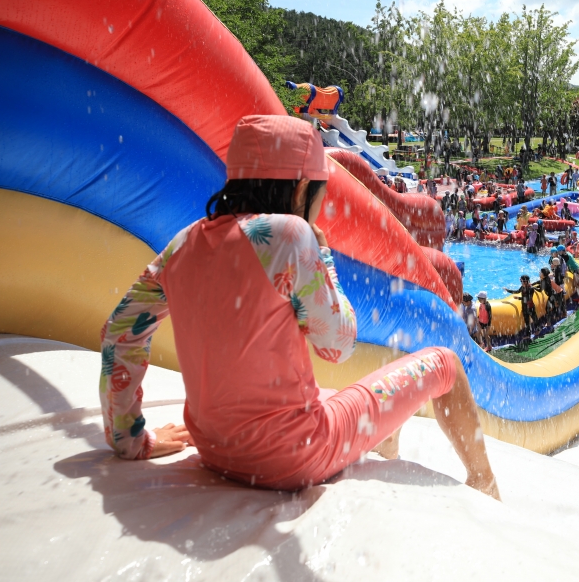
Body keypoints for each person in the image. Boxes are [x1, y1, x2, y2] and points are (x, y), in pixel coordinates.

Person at [98, 114, 497, 497]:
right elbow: (337, 346)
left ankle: (387, 445)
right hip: (295, 457)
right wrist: (323, 257)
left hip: (214, 450)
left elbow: (119, 332)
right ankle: (485, 485)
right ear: (303, 188)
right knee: (445, 362)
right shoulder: (288, 234)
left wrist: (133, 440)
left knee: (348, 394)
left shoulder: (185, 242)